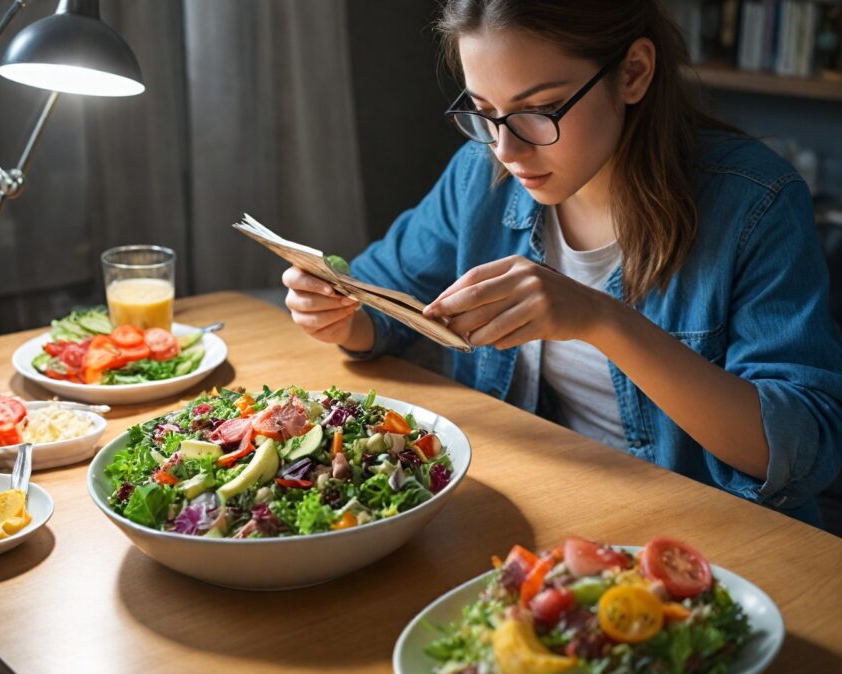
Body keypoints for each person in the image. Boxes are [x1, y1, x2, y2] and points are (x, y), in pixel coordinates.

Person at [281, 0, 842, 525]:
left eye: (541, 109)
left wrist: (603, 320)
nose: (508, 150)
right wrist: (342, 316)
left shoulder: (755, 202)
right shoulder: (482, 175)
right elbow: (381, 293)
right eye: (485, 113)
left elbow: (802, 447)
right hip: (547, 504)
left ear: (633, 73)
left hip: (706, 535)